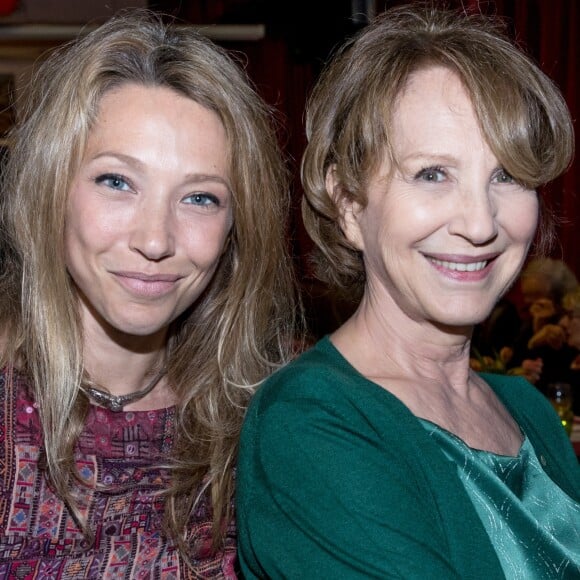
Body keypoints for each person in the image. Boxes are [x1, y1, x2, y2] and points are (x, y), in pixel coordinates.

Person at [237, 3, 580, 578]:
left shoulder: (528, 412)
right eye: (432, 174)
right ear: (348, 202)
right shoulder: (310, 425)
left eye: (508, 176)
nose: (479, 223)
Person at [0, 8, 299, 578]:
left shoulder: (267, 417)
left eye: (200, 198)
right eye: (117, 182)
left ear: (237, 226)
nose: (156, 239)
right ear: (51, 190)